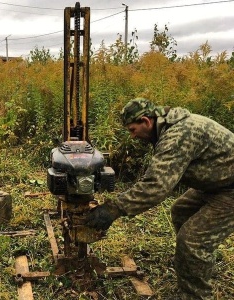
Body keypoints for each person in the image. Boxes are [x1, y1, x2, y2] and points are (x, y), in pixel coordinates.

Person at [85, 98, 234, 300]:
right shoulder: (170, 128)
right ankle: (194, 266)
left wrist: (114, 209)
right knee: (181, 210)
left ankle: (196, 293)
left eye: (133, 130)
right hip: (216, 184)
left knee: (192, 241)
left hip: (229, 189)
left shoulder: (178, 135)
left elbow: (155, 186)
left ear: (146, 121)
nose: (133, 136)